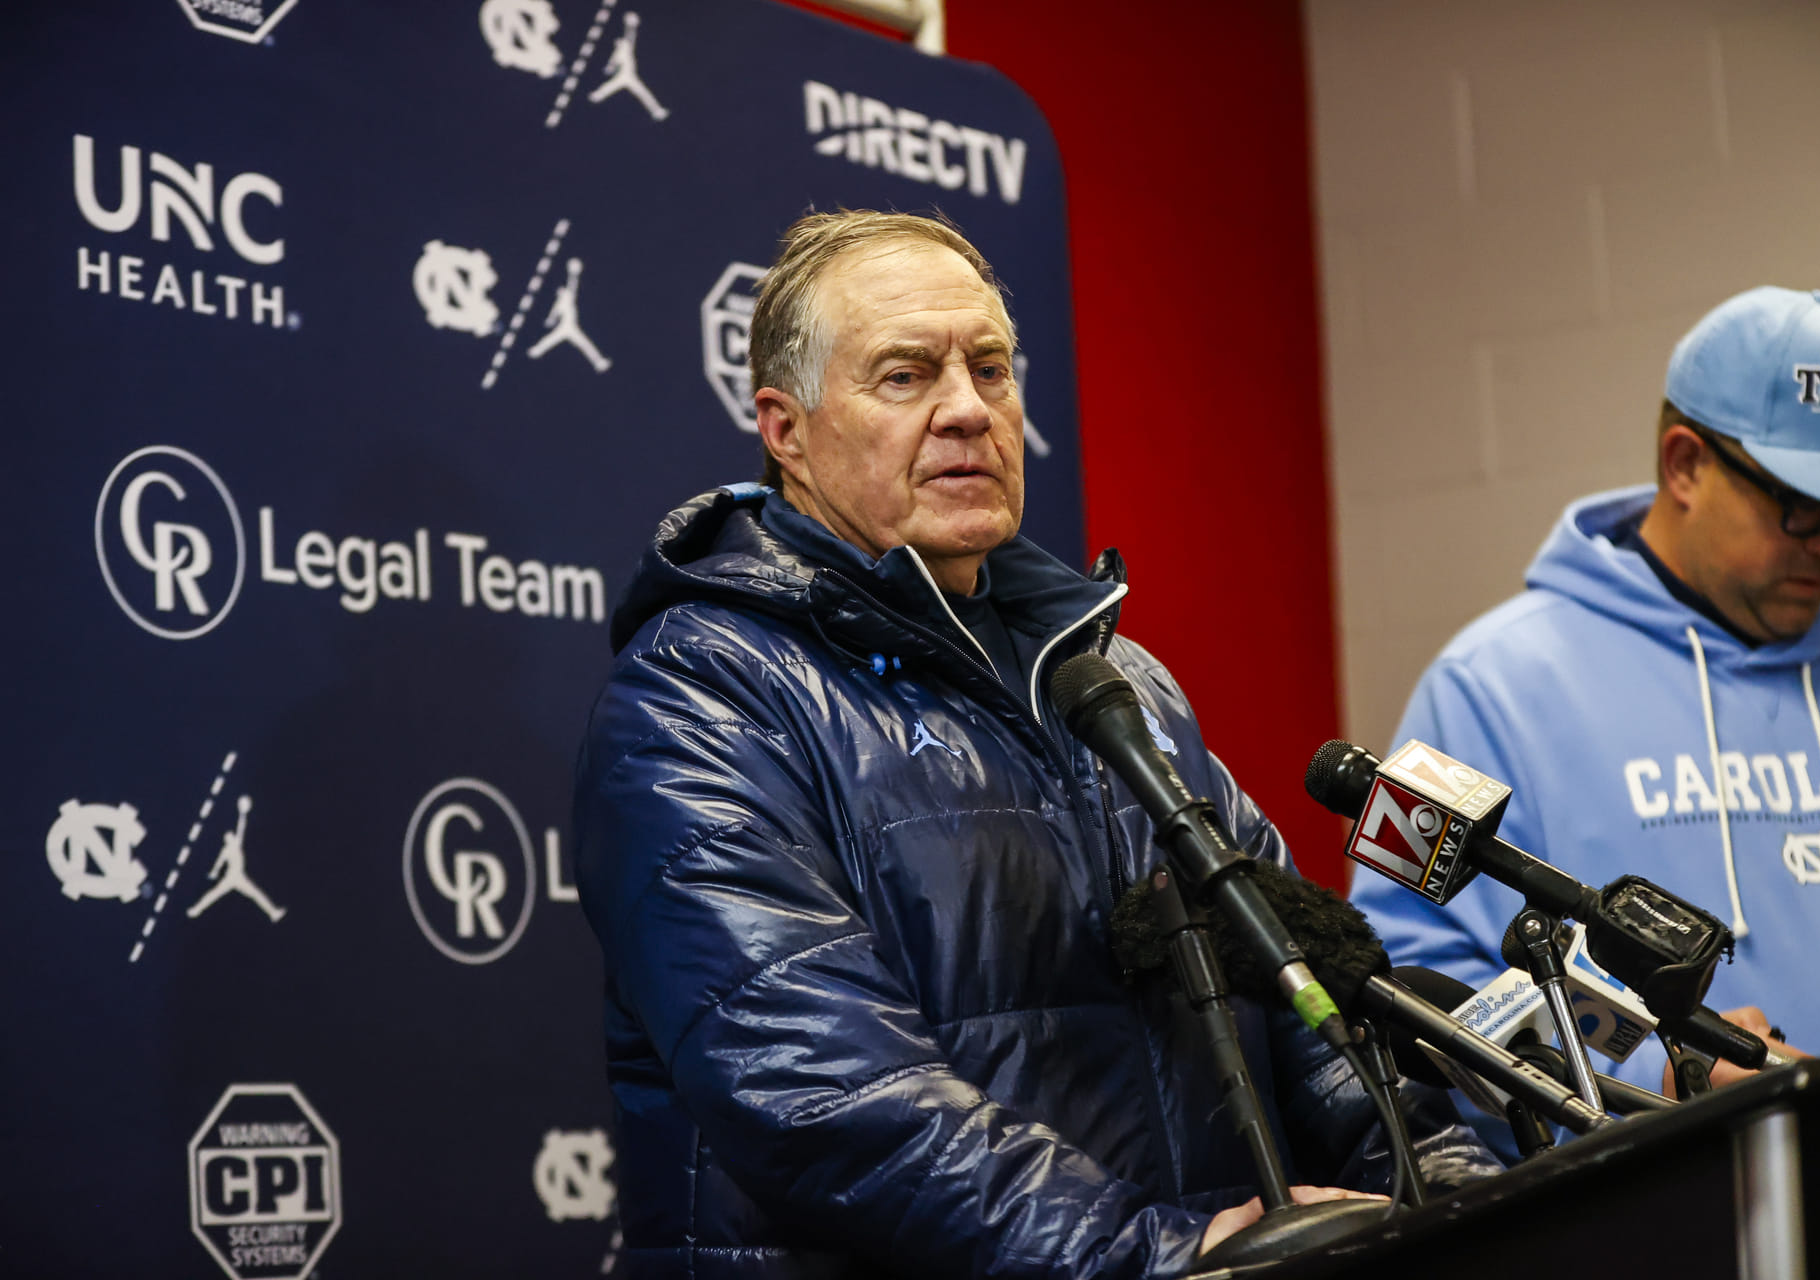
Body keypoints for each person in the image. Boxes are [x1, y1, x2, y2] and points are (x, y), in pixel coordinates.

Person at [573, 210, 1496, 1278]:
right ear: (787, 430)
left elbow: (1303, 992)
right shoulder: (696, 698)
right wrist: (1150, 1254)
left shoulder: (1115, 682)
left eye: (992, 369)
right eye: (907, 376)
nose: (968, 409)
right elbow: (821, 1087)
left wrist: (1455, 1187)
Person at [1350, 287, 1820, 1157]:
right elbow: (1396, 986)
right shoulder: (1485, 686)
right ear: (1685, 463)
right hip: (1663, 1213)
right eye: (1802, 508)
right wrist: (1658, 1074)